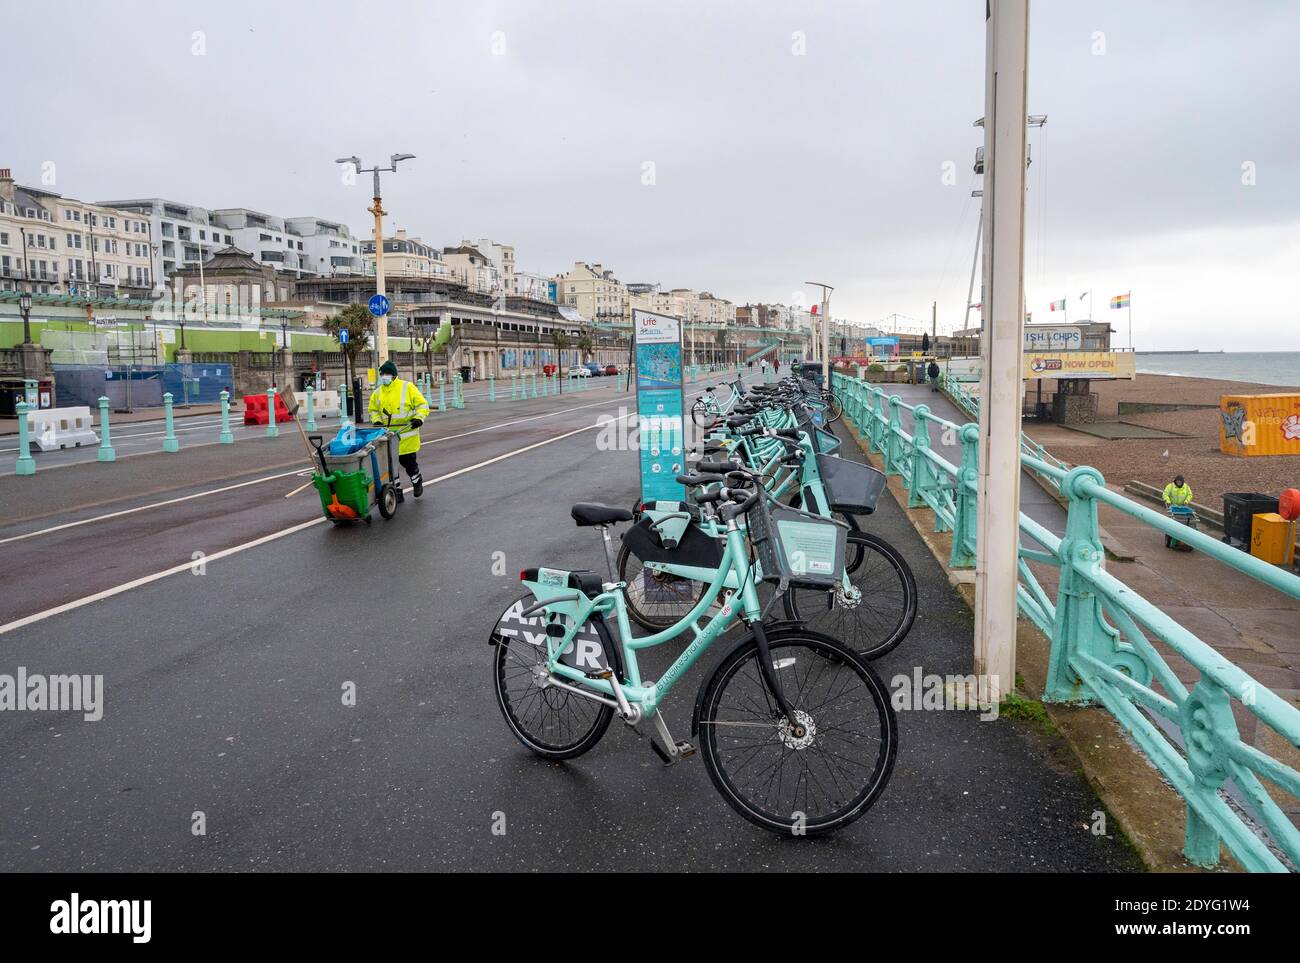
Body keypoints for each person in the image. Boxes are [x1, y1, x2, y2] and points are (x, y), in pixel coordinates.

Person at [368, 359, 430, 499]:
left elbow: (422, 405)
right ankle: (397, 492)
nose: (384, 377)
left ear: (394, 375)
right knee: (390, 467)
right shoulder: (377, 393)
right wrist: (377, 421)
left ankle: (417, 481)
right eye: (382, 374)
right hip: (388, 436)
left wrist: (419, 418)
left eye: (387, 374)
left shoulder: (407, 387)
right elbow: (373, 410)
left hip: (406, 434)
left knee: (408, 464)